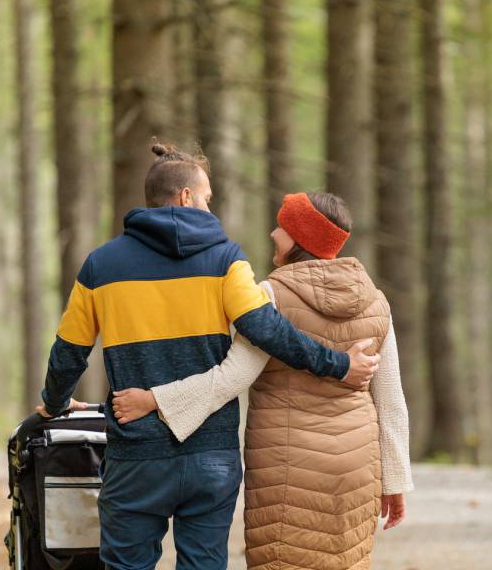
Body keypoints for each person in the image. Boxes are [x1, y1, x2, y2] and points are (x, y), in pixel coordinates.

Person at [37, 144, 380, 570]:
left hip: (136, 455)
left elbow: (69, 353)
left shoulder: (101, 267)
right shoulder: (226, 259)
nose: (209, 208)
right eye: (206, 198)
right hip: (210, 456)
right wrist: (338, 365)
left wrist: (53, 404)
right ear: (185, 197)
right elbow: (267, 331)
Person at [112, 191, 414, 570]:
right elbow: (390, 399)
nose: (273, 233)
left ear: (300, 238)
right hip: (357, 468)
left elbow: (231, 378)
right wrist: (395, 480)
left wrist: (155, 400)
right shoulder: (376, 301)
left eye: (283, 227)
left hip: (288, 466)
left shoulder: (270, 296)